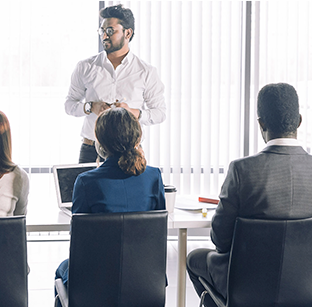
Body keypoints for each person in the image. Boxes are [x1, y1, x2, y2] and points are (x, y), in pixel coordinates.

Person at [186, 83, 312, 307]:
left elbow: (220, 241)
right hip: (305, 287)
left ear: (261, 123)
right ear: (300, 121)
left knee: (194, 259)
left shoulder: (242, 170)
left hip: (247, 287)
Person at [55, 107, 166, 287]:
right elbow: (158, 229)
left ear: (100, 143)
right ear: (138, 138)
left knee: (62, 269)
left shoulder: (85, 182)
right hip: (145, 279)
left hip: (97, 281)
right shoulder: (154, 176)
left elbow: (78, 239)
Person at [65, 4, 166, 163]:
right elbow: (69, 105)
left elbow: (159, 113)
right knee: (83, 188)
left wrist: (133, 112)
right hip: (92, 149)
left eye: (110, 31)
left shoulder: (146, 71)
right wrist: (90, 107)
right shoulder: (85, 67)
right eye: (102, 31)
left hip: (130, 151)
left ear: (128, 33)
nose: (104, 35)